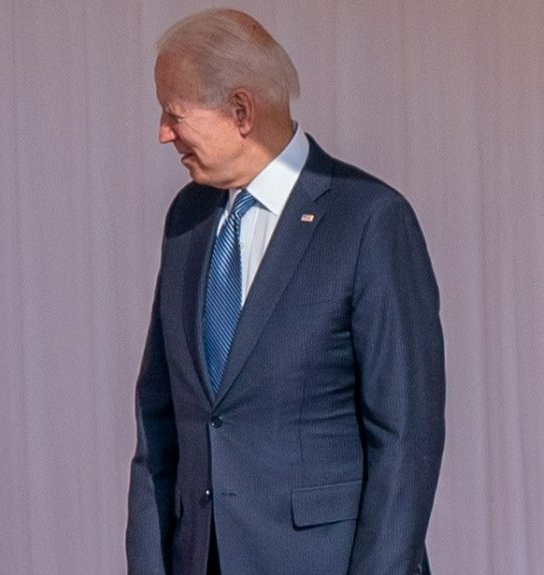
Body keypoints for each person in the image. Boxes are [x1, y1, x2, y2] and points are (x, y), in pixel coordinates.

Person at [126, 9, 445, 575]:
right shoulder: (188, 219)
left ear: (241, 110)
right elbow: (160, 422)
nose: (162, 133)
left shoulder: (368, 220)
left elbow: (405, 440)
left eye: (174, 114)